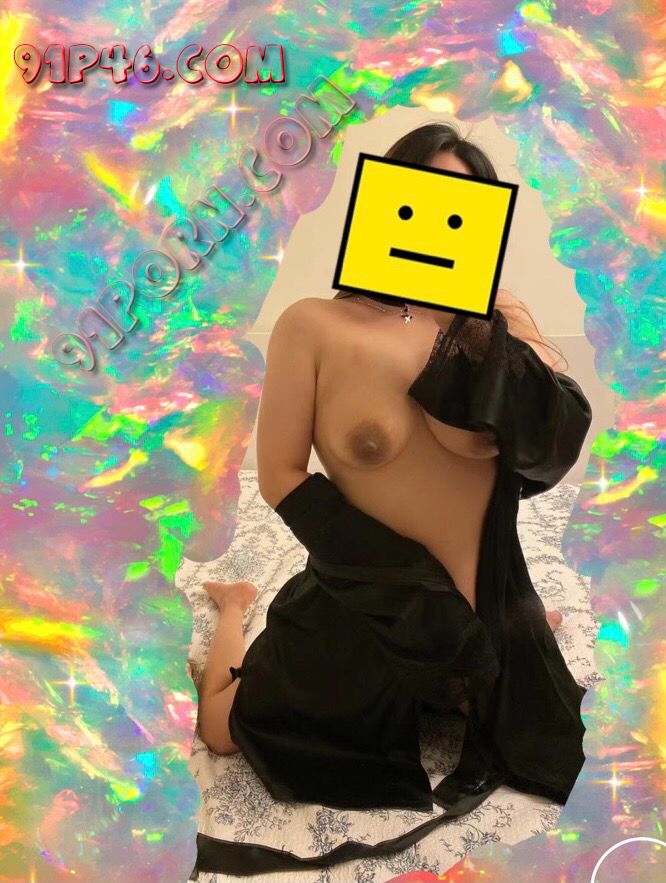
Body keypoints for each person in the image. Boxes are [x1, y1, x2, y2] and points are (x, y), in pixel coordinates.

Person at [192, 122, 593, 877]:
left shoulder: (489, 335)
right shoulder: (315, 325)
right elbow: (281, 475)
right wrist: (410, 590)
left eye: (461, 210)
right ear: (381, 206)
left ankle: (509, 631)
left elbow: (551, 443)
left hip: (483, 606)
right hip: (373, 601)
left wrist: (511, 329)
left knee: (527, 729)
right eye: (417, 202)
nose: (435, 225)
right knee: (225, 730)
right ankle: (236, 607)